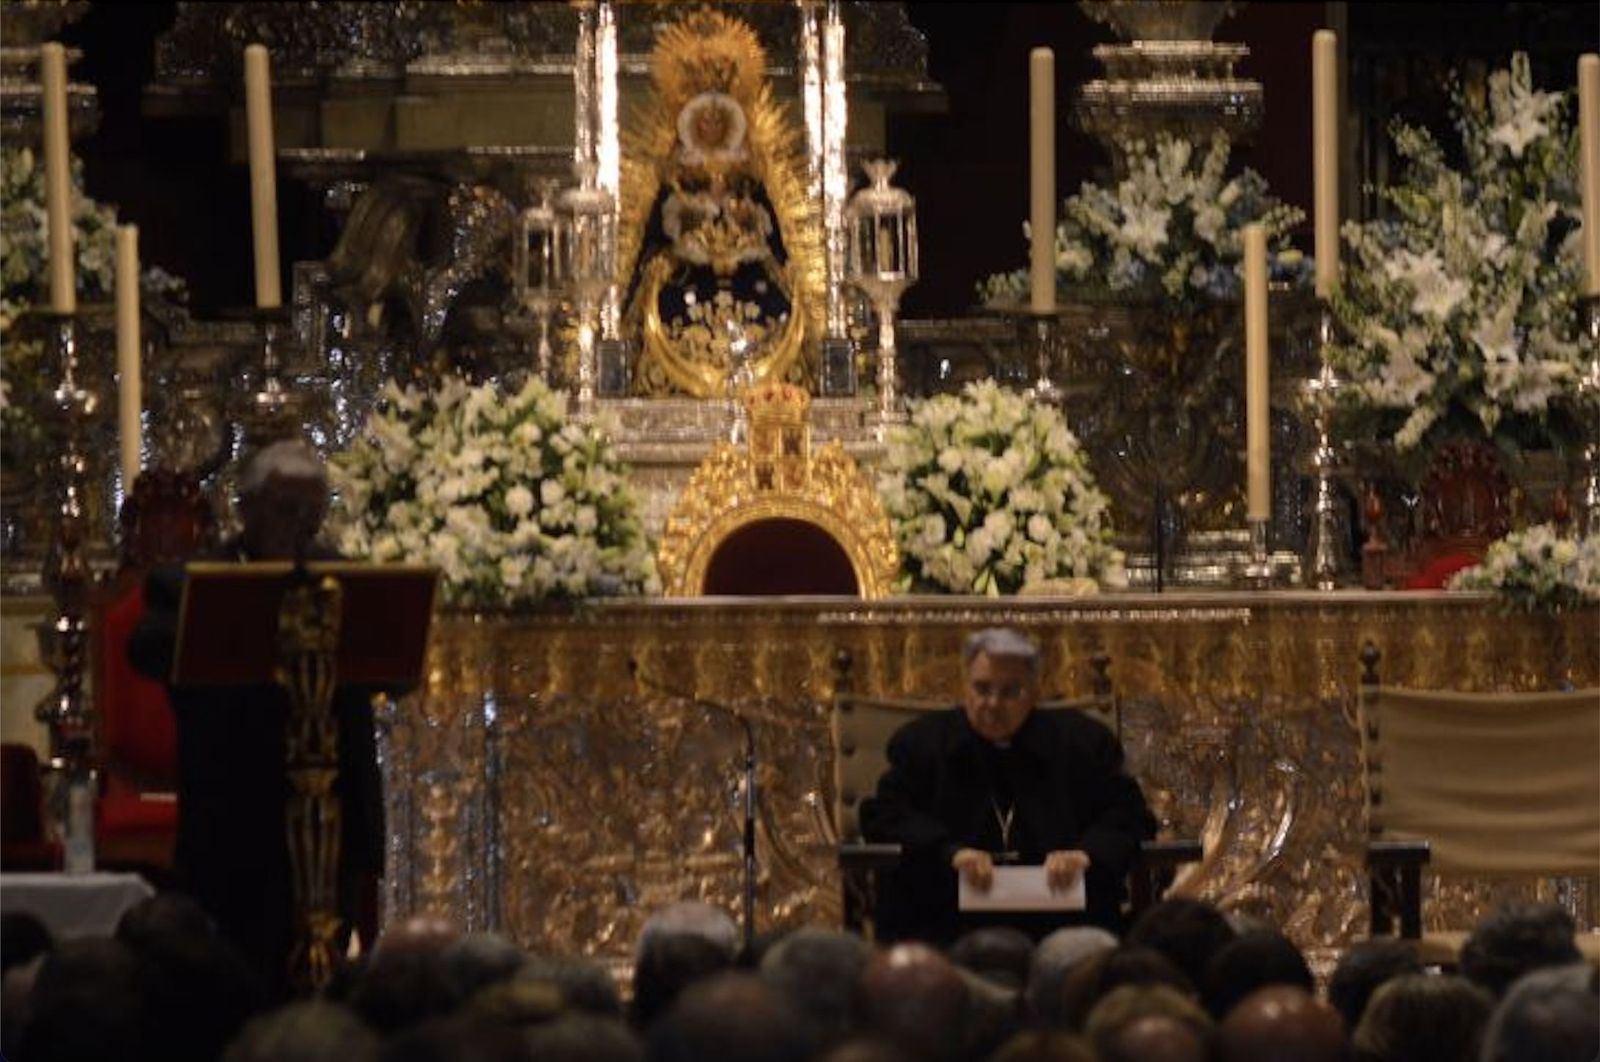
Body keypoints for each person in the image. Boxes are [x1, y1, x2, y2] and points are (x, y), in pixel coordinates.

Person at [128, 440, 386, 998]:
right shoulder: (191, 580)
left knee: (328, 976)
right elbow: (146, 649)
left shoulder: (345, 577)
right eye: (286, 511)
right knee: (241, 980)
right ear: (244, 509)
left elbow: (393, 662)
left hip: (335, 812)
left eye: (313, 513)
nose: (301, 527)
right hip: (237, 816)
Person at [858, 628, 1157, 944]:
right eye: (982, 688)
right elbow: (885, 817)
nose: (993, 704)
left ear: (1035, 692)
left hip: (1064, 926)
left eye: (1010, 691)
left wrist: (1085, 855)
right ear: (965, 687)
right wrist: (949, 853)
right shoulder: (920, 745)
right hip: (945, 923)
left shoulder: (1083, 745)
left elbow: (1130, 816)